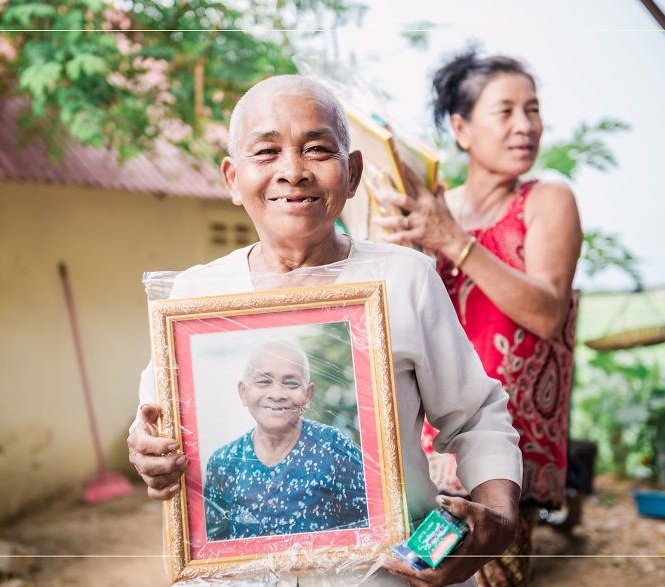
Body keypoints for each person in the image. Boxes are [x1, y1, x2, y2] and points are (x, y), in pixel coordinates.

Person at [127, 74, 523, 586]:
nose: (292, 172)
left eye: (317, 149)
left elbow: (475, 416)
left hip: (393, 577)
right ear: (231, 178)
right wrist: (149, 453)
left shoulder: (404, 278)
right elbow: (155, 430)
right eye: (266, 152)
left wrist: (499, 516)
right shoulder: (193, 301)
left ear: (352, 172)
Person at [372, 51, 583, 587]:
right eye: (506, 111)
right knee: (418, 574)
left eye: (532, 110)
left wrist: (454, 242)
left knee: (491, 575)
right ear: (462, 129)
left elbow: (547, 312)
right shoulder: (429, 206)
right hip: (426, 444)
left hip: (506, 445)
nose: (525, 126)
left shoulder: (546, 200)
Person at [204, 341, 368, 541]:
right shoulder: (223, 462)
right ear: (243, 392)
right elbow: (215, 543)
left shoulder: (335, 448)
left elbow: (367, 529)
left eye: (291, 383)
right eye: (263, 382)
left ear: (308, 396)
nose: (277, 395)